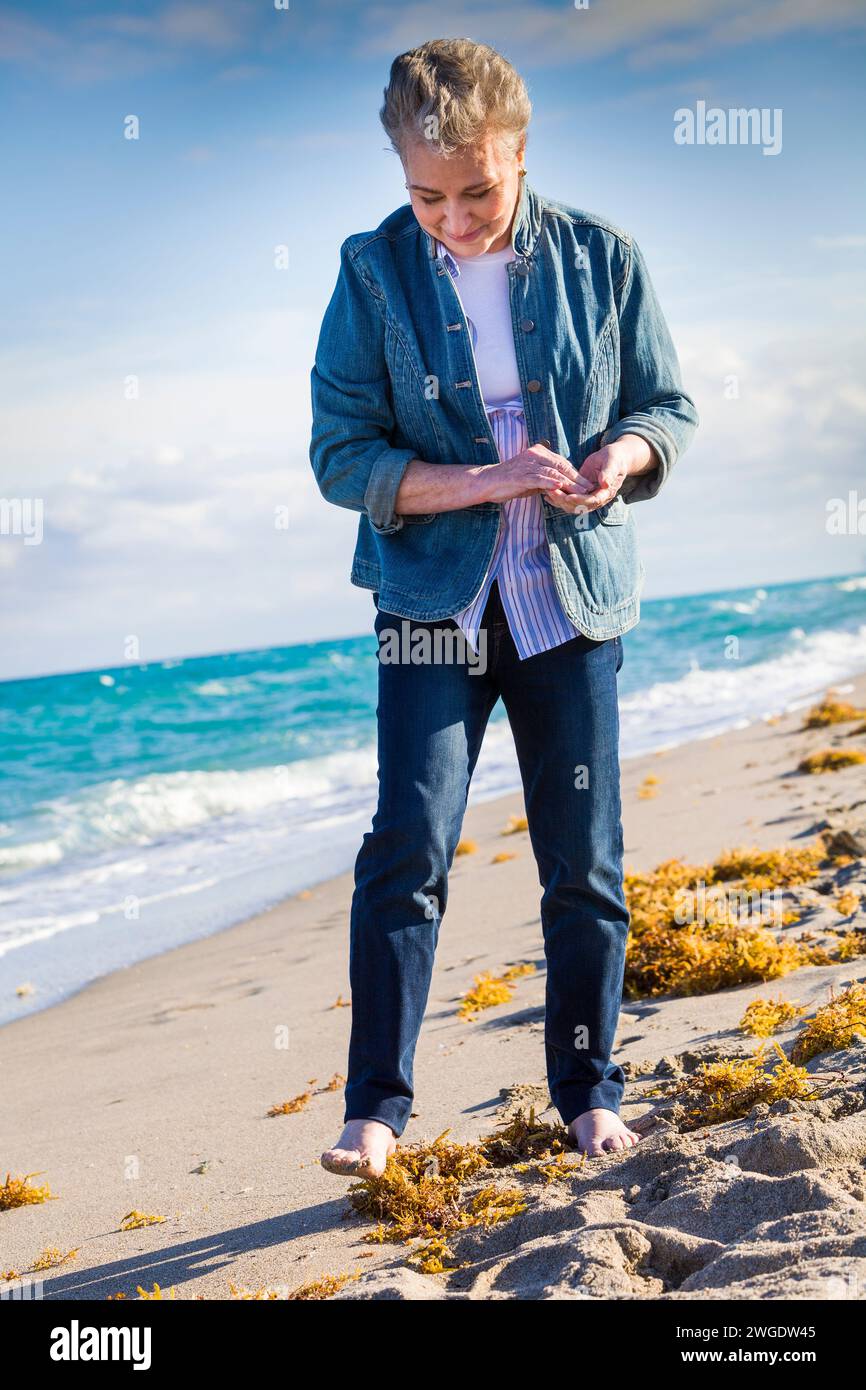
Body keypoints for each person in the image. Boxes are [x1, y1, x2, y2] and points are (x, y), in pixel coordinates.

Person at [309, 38, 698, 1174]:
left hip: (567, 601)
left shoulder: (603, 255)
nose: (454, 218)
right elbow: (341, 455)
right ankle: (374, 1111)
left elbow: (664, 404)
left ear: (519, 152)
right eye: (425, 194)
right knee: (408, 845)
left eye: (476, 188)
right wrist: (478, 481)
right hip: (432, 602)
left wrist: (620, 457)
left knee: (581, 859)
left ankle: (587, 1095)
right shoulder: (370, 270)